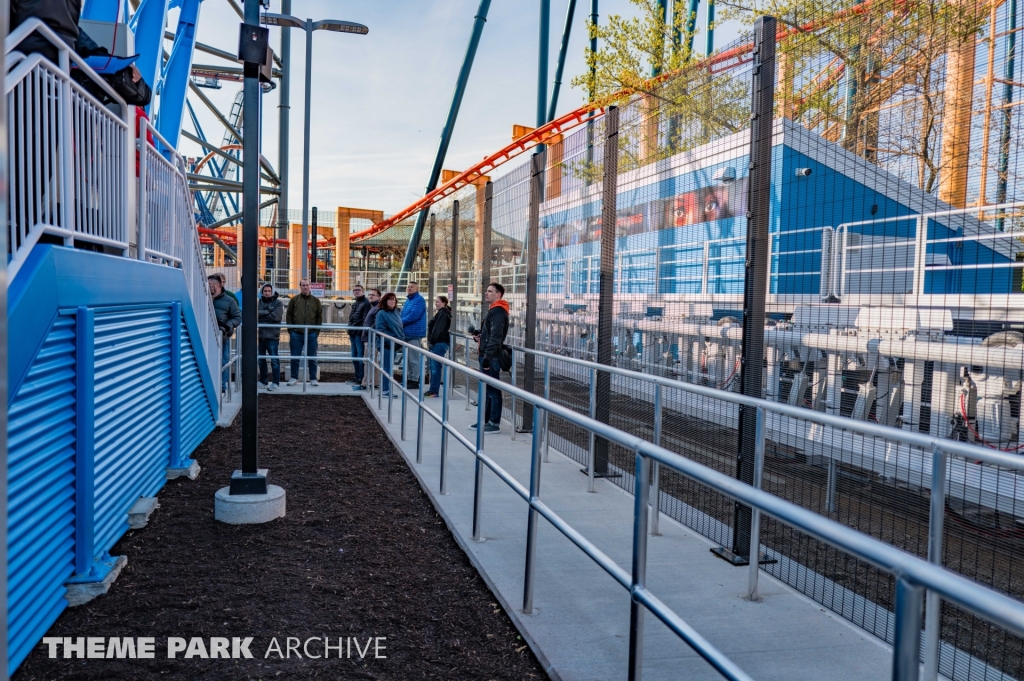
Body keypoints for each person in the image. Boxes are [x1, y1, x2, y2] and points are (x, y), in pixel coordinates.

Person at [471, 282, 509, 433]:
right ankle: (485, 421)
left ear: (498, 295)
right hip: (487, 355)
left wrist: (487, 356)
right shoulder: (494, 310)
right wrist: (480, 336)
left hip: (491, 357)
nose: (486, 293)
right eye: (486, 291)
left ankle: (493, 423)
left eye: (490, 291)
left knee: (493, 390)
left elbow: (496, 336)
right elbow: (491, 334)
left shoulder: (499, 311)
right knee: (488, 390)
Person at [286, 279, 323, 386]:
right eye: (303, 285)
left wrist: (316, 332)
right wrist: (291, 330)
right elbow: (289, 315)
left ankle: (313, 378)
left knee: (312, 357)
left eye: (307, 285)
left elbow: (319, 316)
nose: (305, 287)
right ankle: (294, 377)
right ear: (300, 286)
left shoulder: (316, 301)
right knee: (295, 357)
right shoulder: (294, 300)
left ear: (310, 286)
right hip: (296, 334)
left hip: (311, 333)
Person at [209, 274, 241, 392]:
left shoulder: (230, 300)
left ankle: (222, 387)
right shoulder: (204, 299)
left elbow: (237, 317)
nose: (206, 286)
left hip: (222, 336)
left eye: (209, 284)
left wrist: (228, 326)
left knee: (223, 360)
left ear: (217, 286)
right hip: (205, 336)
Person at [374, 292, 405, 398]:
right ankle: (384, 390)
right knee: (386, 367)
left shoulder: (396, 312)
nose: (392, 301)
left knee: (389, 367)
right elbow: (380, 330)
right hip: (387, 345)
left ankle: (386, 389)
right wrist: (391, 341)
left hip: (395, 344)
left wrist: (400, 339)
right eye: (390, 299)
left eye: (394, 299)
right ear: (385, 301)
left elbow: (399, 327)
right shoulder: (381, 313)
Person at [257, 283, 283, 390]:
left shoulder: (278, 303)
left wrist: (263, 315)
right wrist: (268, 313)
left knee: (274, 360)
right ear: (262, 292)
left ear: (272, 292)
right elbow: (256, 315)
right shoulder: (259, 302)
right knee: (261, 360)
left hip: (272, 336)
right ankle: (263, 381)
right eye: (265, 291)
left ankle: (276, 382)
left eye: (269, 291)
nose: (267, 293)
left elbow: (275, 317)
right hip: (261, 336)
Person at [424, 295, 452, 397]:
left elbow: (438, 329)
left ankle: (434, 391)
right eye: (435, 302)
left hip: (439, 343)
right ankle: (433, 389)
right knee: (433, 367)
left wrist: (432, 341)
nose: (436, 303)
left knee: (435, 367)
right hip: (438, 343)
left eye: (438, 302)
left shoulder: (443, 313)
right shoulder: (442, 313)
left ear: (444, 303)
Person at [357, 288, 382, 391]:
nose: (370, 296)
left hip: (371, 338)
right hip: (370, 337)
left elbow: (377, 323)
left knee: (368, 361)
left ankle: (365, 383)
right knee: (373, 361)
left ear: (379, 297)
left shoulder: (377, 308)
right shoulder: (374, 307)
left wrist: (368, 331)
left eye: (373, 295)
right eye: (370, 294)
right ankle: (375, 382)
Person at [348, 284, 372, 387]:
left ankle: (361, 377)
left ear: (363, 291)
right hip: (353, 332)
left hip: (358, 333)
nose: (356, 292)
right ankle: (357, 376)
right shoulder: (356, 303)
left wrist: (362, 333)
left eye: (358, 290)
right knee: (354, 355)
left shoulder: (365, 303)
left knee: (360, 356)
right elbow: (352, 317)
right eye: (355, 290)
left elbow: (364, 320)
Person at [400, 281, 427, 347]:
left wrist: (400, 322)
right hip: (407, 332)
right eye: (408, 287)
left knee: (413, 356)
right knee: (407, 356)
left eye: (412, 287)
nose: (409, 288)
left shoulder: (419, 300)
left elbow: (414, 315)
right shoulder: (408, 300)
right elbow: (403, 314)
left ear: (417, 289)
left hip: (414, 334)